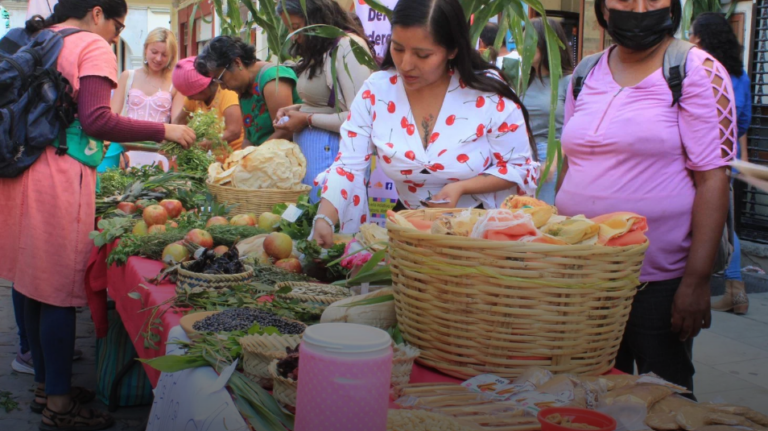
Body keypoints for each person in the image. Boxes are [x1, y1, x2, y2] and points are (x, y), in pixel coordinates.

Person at [0, 1, 195, 429]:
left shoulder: (42, 36)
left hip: (21, 168)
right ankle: (58, 406)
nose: (115, 37)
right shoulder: (91, 45)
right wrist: (165, 130)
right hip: (58, 175)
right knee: (58, 291)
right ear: (97, 12)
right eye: (117, 26)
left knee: (32, 285)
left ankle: (45, 386)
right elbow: (97, 119)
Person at [556, 0, 736, 392]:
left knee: (662, 398)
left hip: (659, 283)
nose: (637, 8)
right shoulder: (585, 73)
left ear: (672, 6)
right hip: (587, 276)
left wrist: (696, 281)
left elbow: (712, 179)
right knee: (588, 394)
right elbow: (571, 164)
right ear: (603, 6)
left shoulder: (695, 69)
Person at [311, 0, 539, 246]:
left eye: (423, 55)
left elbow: (518, 167)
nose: (406, 65)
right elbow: (348, 165)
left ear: (452, 50)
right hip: (409, 230)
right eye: (398, 49)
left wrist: (462, 188)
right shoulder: (377, 92)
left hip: (478, 236)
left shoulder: (487, 96)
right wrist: (325, 216)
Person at [273, 0, 374, 202]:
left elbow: (360, 119)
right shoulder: (320, 49)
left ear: (315, 19)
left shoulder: (348, 47)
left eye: (296, 28)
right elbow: (328, 103)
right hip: (314, 157)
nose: (295, 37)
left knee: (329, 226)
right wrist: (296, 109)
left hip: (333, 156)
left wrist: (306, 119)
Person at [690, 12, 751, 316]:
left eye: (692, 34)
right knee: (725, 223)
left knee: (714, 222)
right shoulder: (741, 75)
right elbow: (745, 122)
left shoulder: (699, 71)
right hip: (730, 159)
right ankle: (735, 290)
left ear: (701, 38)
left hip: (699, 160)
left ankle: (733, 287)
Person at [195, 36, 302, 147]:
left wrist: (253, 157)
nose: (222, 87)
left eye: (221, 78)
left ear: (237, 63)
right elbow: (248, 138)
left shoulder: (272, 79)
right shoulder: (244, 90)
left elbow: (285, 132)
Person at [106, 27, 182, 169]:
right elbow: (111, 116)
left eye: (164, 55)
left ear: (172, 56)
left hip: (161, 155)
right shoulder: (128, 77)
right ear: (145, 49)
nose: (158, 58)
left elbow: (177, 123)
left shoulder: (176, 83)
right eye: (154, 52)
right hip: (127, 152)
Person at [522, 18, 573, 204]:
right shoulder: (521, 80)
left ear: (547, 44)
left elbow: (575, 128)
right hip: (521, 157)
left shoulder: (569, 81)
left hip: (551, 156)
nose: (523, 46)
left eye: (530, 40)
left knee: (544, 218)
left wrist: (553, 159)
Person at [172, 56, 245, 151]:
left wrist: (200, 146)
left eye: (191, 95)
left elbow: (234, 132)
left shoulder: (227, 93)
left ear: (203, 88)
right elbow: (179, 122)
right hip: (211, 160)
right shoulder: (193, 99)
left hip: (234, 159)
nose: (189, 98)